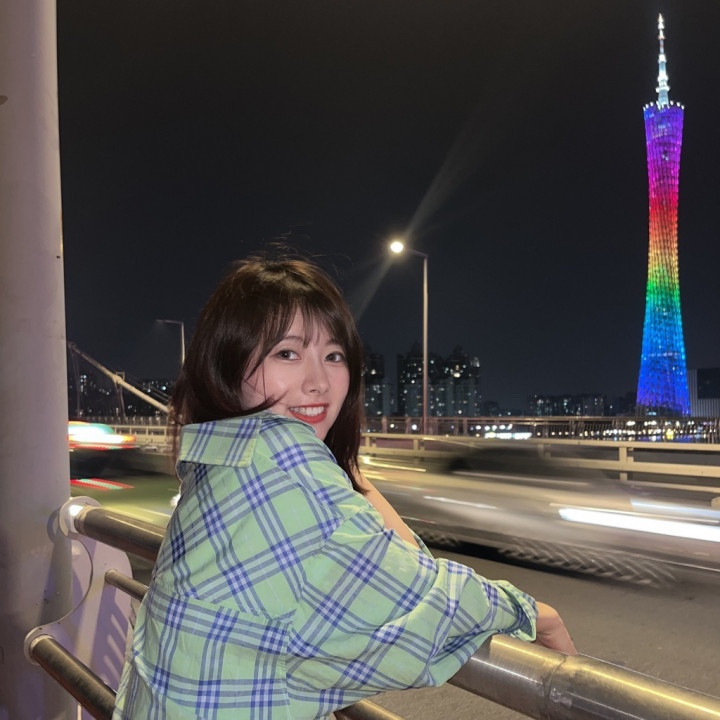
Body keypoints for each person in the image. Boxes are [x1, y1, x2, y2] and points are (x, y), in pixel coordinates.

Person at [113, 254, 575, 720]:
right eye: (287, 353)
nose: (319, 382)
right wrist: (530, 612)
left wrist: (343, 466)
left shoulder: (220, 456)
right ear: (229, 364)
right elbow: (418, 601)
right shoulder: (283, 461)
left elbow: (387, 557)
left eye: (334, 356)